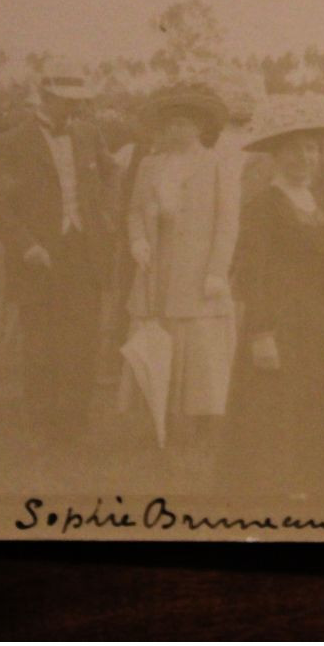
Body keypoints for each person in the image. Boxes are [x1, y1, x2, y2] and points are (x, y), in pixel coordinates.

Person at [219, 95, 324, 497]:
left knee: (309, 403)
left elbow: (320, 271)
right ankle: (273, 488)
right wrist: (260, 333)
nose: (304, 158)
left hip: (309, 319)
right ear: (275, 156)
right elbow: (253, 274)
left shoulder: (314, 201)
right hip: (276, 321)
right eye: (293, 151)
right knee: (276, 407)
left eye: (311, 149)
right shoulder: (264, 205)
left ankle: (309, 484)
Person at [0, 61, 116, 448]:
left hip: (83, 251)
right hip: (39, 255)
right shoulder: (11, 143)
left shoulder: (90, 133)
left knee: (83, 338)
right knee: (41, 341)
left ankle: (75, 421)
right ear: (45, 98)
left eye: (78, 102)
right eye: (66, 101)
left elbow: (111, 174)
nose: (73, 109)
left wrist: (103, 217)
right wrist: (27, 246)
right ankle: (43, 422)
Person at [121, 83, 239, 444]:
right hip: (159, 263)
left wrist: (217, 271)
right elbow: (135, 211)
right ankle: (160, 416)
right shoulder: (151, 164)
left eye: (184, 123)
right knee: (159, 335)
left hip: (198, 266)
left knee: (200, 344)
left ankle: (202, 422)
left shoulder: (218, 165)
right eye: (171, 123)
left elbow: (227, 223)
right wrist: (139, 239)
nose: (177, 130)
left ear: (201, 128)